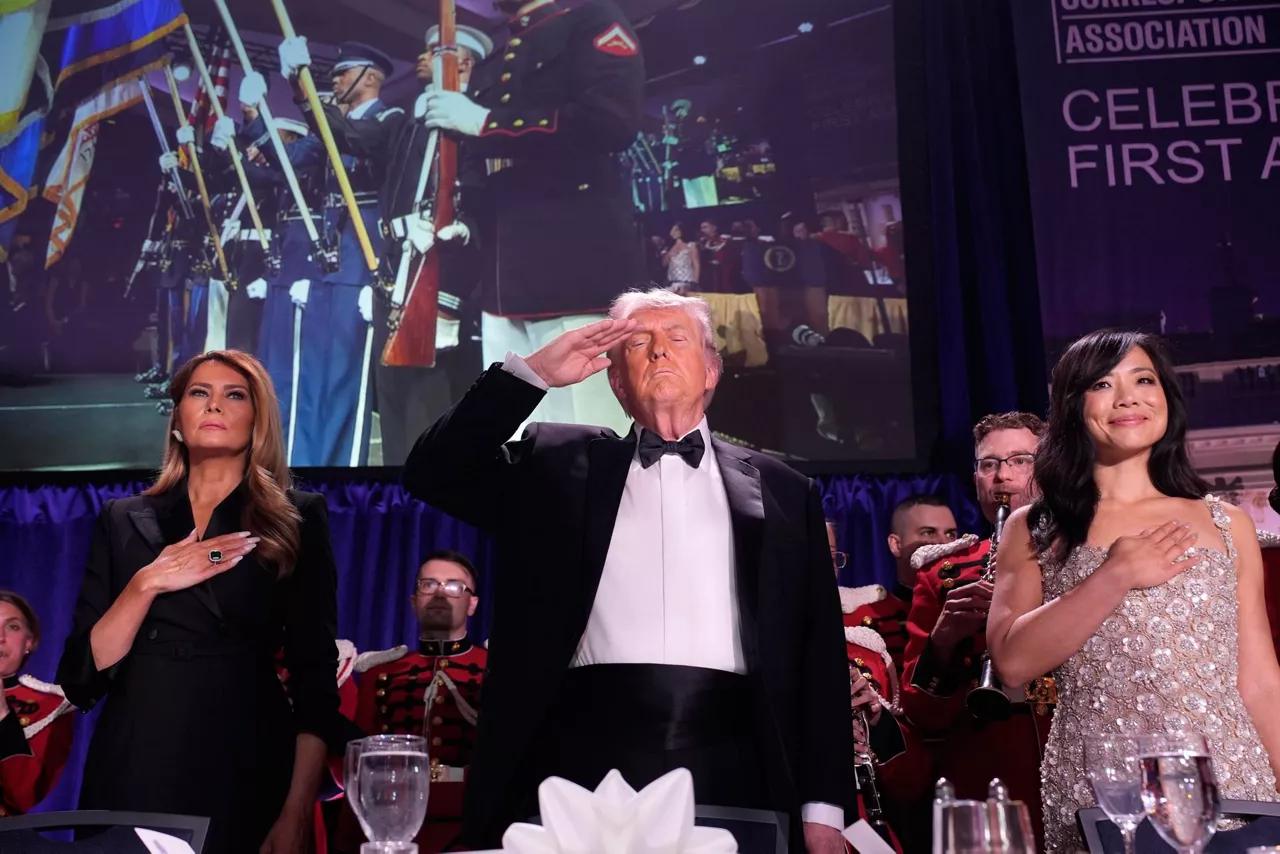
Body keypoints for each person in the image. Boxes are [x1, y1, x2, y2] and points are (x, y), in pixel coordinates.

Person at [404, 288, 852, 853]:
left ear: (711, 370)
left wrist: (824, 808)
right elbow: (432, 471)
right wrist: (533, 374)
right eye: (638, 344)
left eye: (676, 338)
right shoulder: (555, 465)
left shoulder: (786, 489)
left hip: (739, 757)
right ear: (616, 383)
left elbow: (818, 659)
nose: (659, 351)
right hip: (578, 757)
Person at [987, 331, 1280, 853]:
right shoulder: (1037, 526)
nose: (1128, 397)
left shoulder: (1227, 523)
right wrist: (1114, 575)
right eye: (1103, 383)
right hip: (1104, 795)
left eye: (1144, 379)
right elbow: (1011, 662)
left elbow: (1259, 680)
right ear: (1074, 407)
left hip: (1233, 787)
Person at [57, 350, 346, 854]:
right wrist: (147, 583)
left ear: (256, 420)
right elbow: (82, 679)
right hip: (137, 757)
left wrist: (297, 810)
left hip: (245, 754)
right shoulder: (123, 518)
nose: (214, 405)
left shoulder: (297, 517)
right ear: (177, 420)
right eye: (199, 393)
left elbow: (315, 683)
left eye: (234, 395)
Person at [421, 0, 647, 437]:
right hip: (507, 269)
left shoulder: (593, 19)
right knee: (518, 432)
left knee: (593, 430)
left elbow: (612, 119)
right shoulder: (506, 50)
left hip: (573, 258)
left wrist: (487, 122)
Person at [901, 411, 1051, 844]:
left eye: (1020, 460)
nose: (1002, 475)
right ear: (976, 480)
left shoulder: (1088, 556)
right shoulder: (941, 575)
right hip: (988, 769)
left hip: (1082, 755)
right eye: (989, 464)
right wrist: (943, 641)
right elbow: (921, 716)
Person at [278, 41, 400, 466]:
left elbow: (351, 139)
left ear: (370, 77)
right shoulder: (333, 124)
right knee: (313, 375)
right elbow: (285, 161)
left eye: (342, 74)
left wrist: (304, 92)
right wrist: (256, 127)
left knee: (347, 380)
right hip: (326, 263)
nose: (334, 81)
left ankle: (341, 471)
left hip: (363, 263)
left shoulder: (389, 119)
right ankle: (306, 462)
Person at [343, 552, 488, 853]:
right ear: (413, 600)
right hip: (389, 827)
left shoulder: (495, 672)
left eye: (453, 586)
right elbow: (358, 766)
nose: (439, 593)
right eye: (429, 584)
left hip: (475, 825)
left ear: (472, 603)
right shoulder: (380, 673)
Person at [0, 591, 74, 817]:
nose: (0, 637)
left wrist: (2, 714)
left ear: (28, 643)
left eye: (12, 627)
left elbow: (25, 795)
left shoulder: (49, 706)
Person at [663, 222, 700, 295]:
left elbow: (696, 265)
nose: (673, 232)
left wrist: (695, 282)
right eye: (671, 230)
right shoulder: (669, 247)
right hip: (672, 281)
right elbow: (664, 264)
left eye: (676, 230)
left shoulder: (691, 246)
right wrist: (668, 255)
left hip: (687, 281)